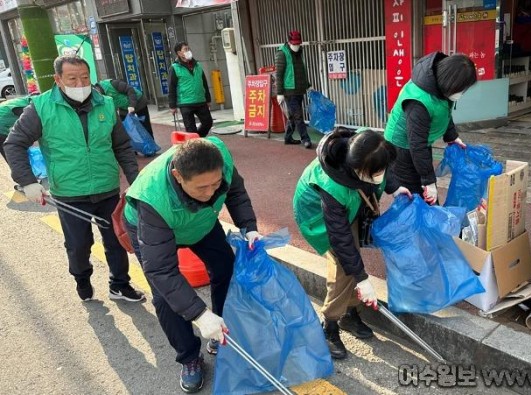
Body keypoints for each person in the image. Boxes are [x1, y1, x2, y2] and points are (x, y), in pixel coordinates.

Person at [123, 137, 262, 393]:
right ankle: (189, 357)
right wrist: (199, 313)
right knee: (165, 297)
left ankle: (222, 329)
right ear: (178, 176)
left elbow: (236, 193)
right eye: (201, 188)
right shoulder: (152, 198)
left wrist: (249, 228)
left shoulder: (219, 158)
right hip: (155, 227)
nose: (210, 193)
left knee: (225, 268)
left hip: (201, 222)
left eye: (215, 184)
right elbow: (162, 270)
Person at [3, 55, 144, 303]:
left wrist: (137, 181)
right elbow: (15, 143)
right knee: (79, 245)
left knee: (117, 240)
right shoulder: (42, 107)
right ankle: (82, 279)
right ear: (58, 80)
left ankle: (119, 284)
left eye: (85, 78)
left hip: (107, 187)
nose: (80, 84)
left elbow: (121, 145)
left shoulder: (106, 104)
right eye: (72, 79)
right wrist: (28, 181)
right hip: (69, 192)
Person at [293, 127, 410, 360]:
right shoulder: (332, 186)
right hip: (318, 219)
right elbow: (341, 239)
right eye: (376, 172)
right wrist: (362, 278)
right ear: (358, 169)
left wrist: (394, 187)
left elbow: (381, 170)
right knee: (345, 268)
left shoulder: (364, 152)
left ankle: (349, 312)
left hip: (351, 203)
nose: (381, 175)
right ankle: (329, 324)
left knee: (353, 265)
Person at [384, 52, 477, 205]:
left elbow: (443, 113)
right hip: (401, 148)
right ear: (451, 83)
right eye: (462, 89)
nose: (462, 93)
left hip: (419, 144)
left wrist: (452, 136)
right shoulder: (418, 101)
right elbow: (416, 144)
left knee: (426, 197)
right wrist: (428, 181)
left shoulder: (440, 88)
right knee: (414, 197)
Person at [275, 30, 313, 149]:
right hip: (289, 90)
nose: (296, 46)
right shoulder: (282, 54)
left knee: (292, 116)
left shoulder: (299, 52)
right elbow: (279, 75)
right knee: (298, 116)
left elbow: (301, 71)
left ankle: (287, 137)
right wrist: (279, 93)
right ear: (289, 42)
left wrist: (308, 85)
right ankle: (305, 139)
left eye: (298, 44)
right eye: (294, 44)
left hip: (299, 89)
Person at [168, 42, 213, 137]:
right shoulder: (175, 68)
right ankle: (196, 146)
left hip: (200, 100)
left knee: (208, 122)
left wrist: (208, 99)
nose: (188, 51)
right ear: (179, 53)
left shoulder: (198, 65)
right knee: (191, 129)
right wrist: (172, 106)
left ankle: (198, 139)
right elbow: (172, 87)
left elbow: (204, 83)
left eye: (189, 49)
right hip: (185, 103)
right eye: (185, 49)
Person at [0, 95, 33, 162]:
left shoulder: (22, 101)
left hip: (2, 127)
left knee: (9, 154)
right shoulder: (25, 107)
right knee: (13, 156)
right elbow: (27, 124)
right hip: (1, 130)